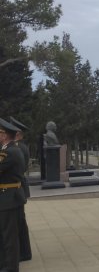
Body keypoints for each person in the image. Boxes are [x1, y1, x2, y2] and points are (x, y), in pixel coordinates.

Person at [0, 118, 26, 272]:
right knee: (5, 234)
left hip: (8, 198)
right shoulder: (10, 149)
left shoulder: (8, 152)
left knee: (9, 236)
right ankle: (5, 264)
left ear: (4, 135)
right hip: (8, 197)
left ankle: (10, 268)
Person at [9, 117, 32, 262]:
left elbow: (18, 170)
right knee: (20, 222)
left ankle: (23, 253)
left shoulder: (19, 147)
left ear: (17, 133)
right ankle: (24, 252)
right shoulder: (19, 146)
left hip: (17, 189)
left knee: (18, 223)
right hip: (18, 188)